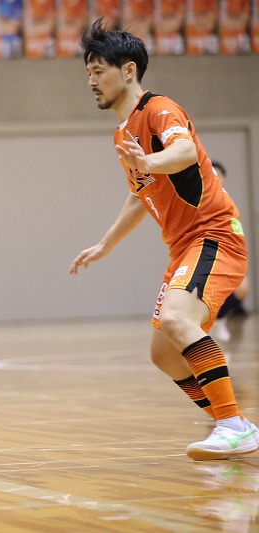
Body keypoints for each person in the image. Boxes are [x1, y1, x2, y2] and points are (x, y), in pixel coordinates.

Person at [68, 19, 256, 461]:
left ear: (128, 70)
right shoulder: (122, 133)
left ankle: (232, 425)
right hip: (183, 247)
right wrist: (106, 243)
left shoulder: (159, 109)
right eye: (88, 73)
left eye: (98, 71)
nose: (91, 81)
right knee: (166, 356)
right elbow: (140, 196)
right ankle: (235, 423)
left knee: (176, 319)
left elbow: (184, 151)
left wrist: (150, 161)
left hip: (214, 235)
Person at [208, 161, 251, 343]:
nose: (216, 178)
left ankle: (219, 318)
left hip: (229, 252)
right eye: (212, 174)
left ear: (224, 178)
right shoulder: (200, 197)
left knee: (242, 289)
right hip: (205, 252)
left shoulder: (227, 202)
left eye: (218, 175)